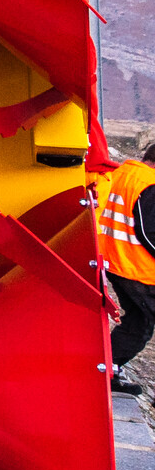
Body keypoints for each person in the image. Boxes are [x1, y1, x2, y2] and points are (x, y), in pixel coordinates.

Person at [93, 146, 155, 396]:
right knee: (139, 325)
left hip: (116, 261)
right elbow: (149, 232)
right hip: (138, 268)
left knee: (138, 324)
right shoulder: (148, 184)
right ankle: (103, 370)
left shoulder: (119, 174)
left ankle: (107, 370)